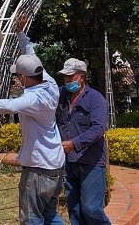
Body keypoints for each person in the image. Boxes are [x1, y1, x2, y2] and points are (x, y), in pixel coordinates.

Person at [0, 17, 65, 225]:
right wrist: (20, 32)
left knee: (31, 218)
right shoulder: (49, 81)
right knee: (50, 215)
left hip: (39, 168)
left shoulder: (33, 98)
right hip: (55, 165)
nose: (17, 80)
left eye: (18, 77)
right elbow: (30, 52)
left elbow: (11, 106)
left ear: (24, 78)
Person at [56, 57, 111, 225]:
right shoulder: (60, 95)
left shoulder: (95, 99)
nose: (67, 79)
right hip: (69, 162)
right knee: (75, 211)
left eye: (71, 76)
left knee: (91, 208)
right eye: (65, 76)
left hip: (91, 162)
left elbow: (98, 128)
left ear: (81, 76)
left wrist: (73, 144)